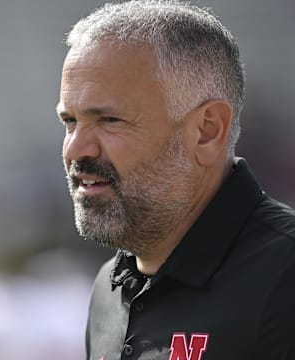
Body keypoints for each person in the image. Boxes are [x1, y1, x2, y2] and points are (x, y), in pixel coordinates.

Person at [57, 1, 295, 359]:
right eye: (70, 121)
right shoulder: (109, 287)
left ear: (206, 131)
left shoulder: (285, 277)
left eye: (109, 120)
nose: (76, 149)